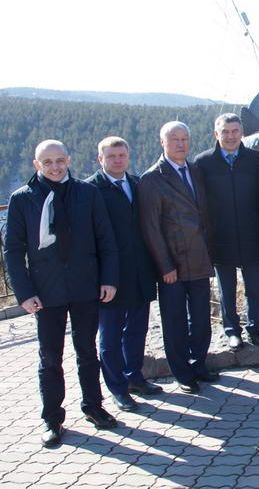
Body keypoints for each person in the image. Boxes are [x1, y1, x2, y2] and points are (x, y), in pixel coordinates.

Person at [4, 140, 119, 447]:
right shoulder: (23, 199)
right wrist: (24, 293)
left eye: (59, 160)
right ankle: (52, 419)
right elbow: (13, 250)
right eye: (47, 162)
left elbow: (105, 239)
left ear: (68, 159)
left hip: (85, 286)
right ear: (36, 165)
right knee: (50, 358)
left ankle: (94, 407)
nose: (54, 167)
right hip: (45, 291)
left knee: (87, 352)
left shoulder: (87, 193)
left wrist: (108, 279)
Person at [139, 121, 218, 393]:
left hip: (199, 259)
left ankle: (199, 365)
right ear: (163, 142)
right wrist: (165, 266)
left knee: (201, 319)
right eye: (175, 139)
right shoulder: (152, 179)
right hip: (173, 265)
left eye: (185, 138)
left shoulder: (194, 171)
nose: (181, 144)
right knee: (175, 322)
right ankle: (182, 373)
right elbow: (150, 228)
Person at [86, 137, 161, 413]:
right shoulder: (90, 189)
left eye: (122, 155)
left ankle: (135, 377)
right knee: (110, 337)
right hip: (110, 277)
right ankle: (117, 388)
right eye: (111, 156)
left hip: (140, 271)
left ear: (128, 156)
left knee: (137, 329)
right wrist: (100, 277)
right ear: (100, 159)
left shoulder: (137, 184)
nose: (117, 160)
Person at [195, 113, 259, 350]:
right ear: (216, 134)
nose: (230, 136)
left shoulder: (255, 159)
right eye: (225, 132)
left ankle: (255, 329)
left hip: (252, 233)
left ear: (242, 133)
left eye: (235, 131)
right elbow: (199, 202)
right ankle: (232, 331)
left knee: (255, 288)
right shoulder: (203, 162)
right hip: (220, 235)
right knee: (225, 290)